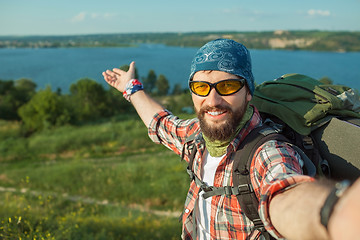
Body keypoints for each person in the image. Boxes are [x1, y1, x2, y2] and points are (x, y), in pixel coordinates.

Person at [102, 39, 360, 240]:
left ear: (249, 92)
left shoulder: (267, 152)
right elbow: (161, 123)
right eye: (201, 87)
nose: (212, 101)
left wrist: (333, 214)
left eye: (227, 87)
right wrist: (131, 88)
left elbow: (285, 193)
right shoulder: (196, 137)